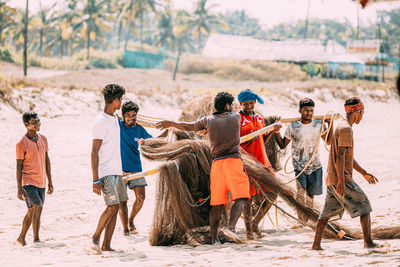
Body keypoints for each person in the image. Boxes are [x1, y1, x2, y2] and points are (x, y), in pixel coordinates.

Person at [156, 92, 250, 244]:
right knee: (241, 197)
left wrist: (171, 123)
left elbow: (188, 126)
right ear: (227, 106)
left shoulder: (208, 121)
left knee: (217, 204)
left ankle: (214, 239)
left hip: (217, 165)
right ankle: (231, 228)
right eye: (230, 105)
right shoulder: (236, 118)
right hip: (233, 162)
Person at [312, 97, 378, 250]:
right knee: (365, 206)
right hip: (341, 179)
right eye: (362, 113)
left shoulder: (342, 126)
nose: (362, 117)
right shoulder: (346, 129)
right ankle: (368, 243)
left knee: (326, 214)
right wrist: (342, 181)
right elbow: (339, 156)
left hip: (331, 179)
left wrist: (364, 173)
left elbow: (347, 156)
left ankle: (316, 245)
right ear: (358, 111)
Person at [276, 98, 332, 222]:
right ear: (300, 110)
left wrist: (330, 123)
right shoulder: (293, 126)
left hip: (315, 165)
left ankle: (309, 219)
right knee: (301, 193)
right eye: (306, 111)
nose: (309, 113)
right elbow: (282, 145)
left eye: (311, 111)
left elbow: (328, 141)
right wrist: (276, 132)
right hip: (299, 165)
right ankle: (301, 220)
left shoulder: (318, 124)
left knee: (311, 195)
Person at [237, 89, 281, 239]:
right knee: (247, 197)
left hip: (262, 161)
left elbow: (261, 140)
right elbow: (236, 141)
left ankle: (256, 223)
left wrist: (272, 132)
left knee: (273, 192)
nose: (249, 106)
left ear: (255, 102)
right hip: (246, 161)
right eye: (245, 104)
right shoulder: (238, 118)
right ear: (240, 104)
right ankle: (249, 231)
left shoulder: (260, 118)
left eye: (251, 103)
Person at [91, 84, 128, 251]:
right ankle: (96, 236)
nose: (122, 103)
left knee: (117, 206)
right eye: (121, 99)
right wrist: (95, 179)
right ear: (116, 100)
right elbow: (94, 152)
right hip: (105, 172)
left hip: (116, 170)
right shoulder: (100, 121)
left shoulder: (114, 119)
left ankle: (106, 245)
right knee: (112, 206)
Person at [16, 111, 54, 246]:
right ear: (26, 124)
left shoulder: (43, 138)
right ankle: (36, 239)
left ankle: (21, 237)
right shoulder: (21, 143)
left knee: (32, 210)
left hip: (41, 181)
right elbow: (19, 166)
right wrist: (19, 188)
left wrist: (50, 181)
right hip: (28, 182)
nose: (38, 124)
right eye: (34, 122)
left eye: (38, 121)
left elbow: (47, 160)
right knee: (38, 205)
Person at [119, 101, 152, 235]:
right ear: (123, 116)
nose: (131, 118)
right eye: (128, 115)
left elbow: (152, 141)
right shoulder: (117, 126)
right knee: (122, 201)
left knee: (141, 197)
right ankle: (126, 228)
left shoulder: (139, 129)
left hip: (136, 168)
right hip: (119, 169)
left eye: (134, 115)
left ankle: (131, 220)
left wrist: (168, 131)